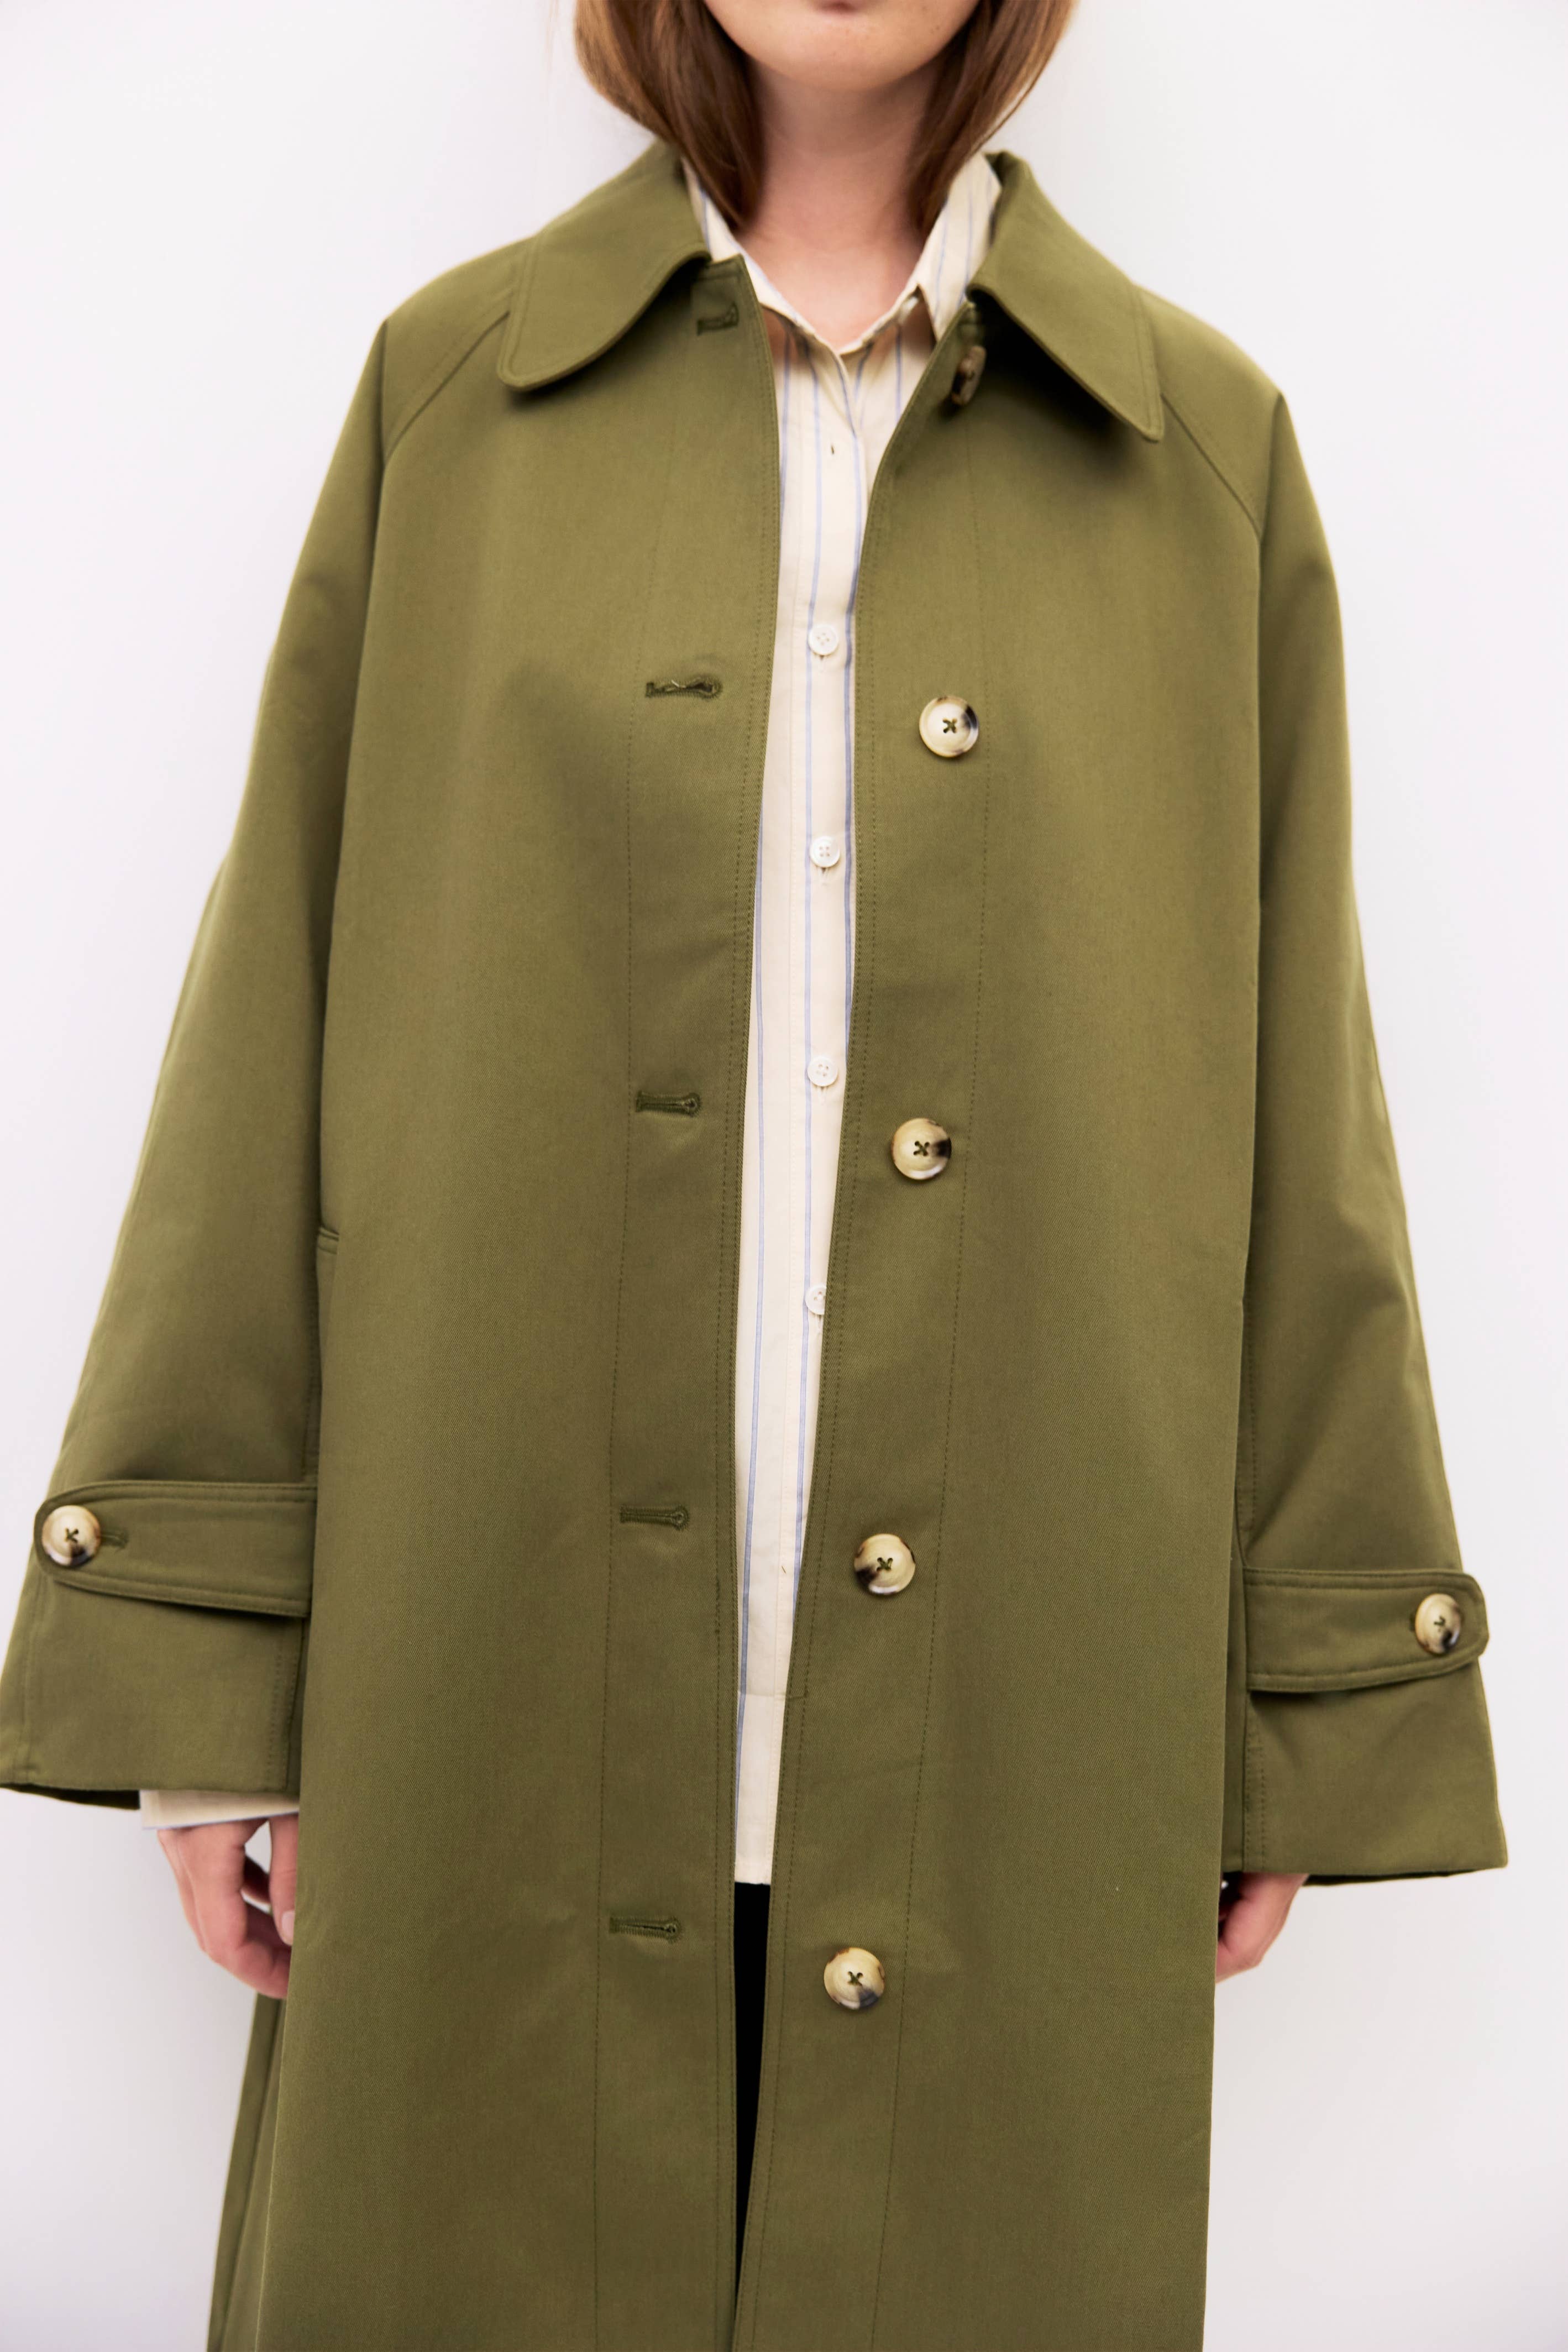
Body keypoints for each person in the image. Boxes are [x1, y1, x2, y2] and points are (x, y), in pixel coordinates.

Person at [0, 1, 1506, 2344]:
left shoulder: (1197, 454)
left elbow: (1304, 1102)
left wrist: (1295, 1692)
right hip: (488, 1671)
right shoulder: (454, 399)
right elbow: (271, 1030)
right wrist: (201, 1669)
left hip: (1023, 1690)